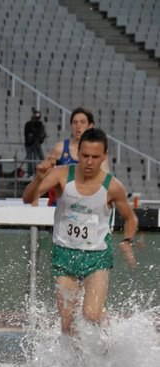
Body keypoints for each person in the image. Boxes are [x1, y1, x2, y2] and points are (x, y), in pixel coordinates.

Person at [23, 128, 138, 336]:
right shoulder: (61, 175)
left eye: (95, 157)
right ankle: (77, 357)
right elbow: (27, 197)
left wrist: (127, 240)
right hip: (64, 253)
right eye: (85, 156)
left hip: (97, 257)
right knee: (67, 324)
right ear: (78, 153)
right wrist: (38, 179)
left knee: (91, 314)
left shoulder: (113, 186)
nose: (89, 162)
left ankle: (111, 332)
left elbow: (131, 218)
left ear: (104, 156)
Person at [24, 110, 46, 177]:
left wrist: (41, 138)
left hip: (37, 144)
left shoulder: (40, 125)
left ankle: (41, 172)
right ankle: (30, 174)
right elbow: (27, 135)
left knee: (41, 158)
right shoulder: (28, 124)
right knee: (30, 159)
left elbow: (42, 134)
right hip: (29, 145)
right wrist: (32, 137)